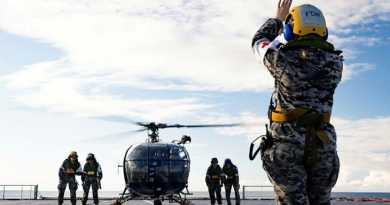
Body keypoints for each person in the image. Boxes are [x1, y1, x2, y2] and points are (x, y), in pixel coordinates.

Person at [252, 0, 342, 204]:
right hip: (323, 143)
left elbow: (259, 42)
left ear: (292, 31)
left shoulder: (281, 58)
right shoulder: (336, 63)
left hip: (287, 143)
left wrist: (278, 20)